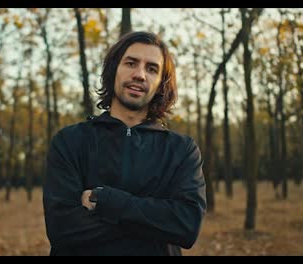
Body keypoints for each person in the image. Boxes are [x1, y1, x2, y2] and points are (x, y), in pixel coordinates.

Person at [43, 31, 206, 256]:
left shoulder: (181, 150)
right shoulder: (70, 141)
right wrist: (156, 222)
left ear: (160, 84)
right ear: (113, 70)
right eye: (131, 63)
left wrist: (108, 201)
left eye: (152, 69)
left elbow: (186, 226)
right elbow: (62, 229)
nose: (139, 74)